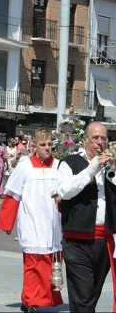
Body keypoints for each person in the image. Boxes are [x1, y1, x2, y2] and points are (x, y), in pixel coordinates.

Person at [0, 129, 63, 312]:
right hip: (31, 221)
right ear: (34, 146)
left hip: (53, 222)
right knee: (33, 264)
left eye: (50, 144)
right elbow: (13, 196)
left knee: (51, 264)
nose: (47, 148)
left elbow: (67, 191)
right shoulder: (25, 167)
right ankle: (31, 300)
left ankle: (43, 298)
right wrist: (6, 223)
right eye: (43, 145)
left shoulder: (59, 166)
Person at [56, 121, 116, 312]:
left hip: (103, 241)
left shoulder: (109, 166)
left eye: (104, 138)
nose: (100, 142)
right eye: (95, 138)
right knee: (82, 297)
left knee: (91, 295)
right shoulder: (69, 162)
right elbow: (65, 191)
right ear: (85, 141)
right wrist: (92, 169)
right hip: (77, 241)